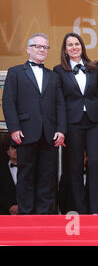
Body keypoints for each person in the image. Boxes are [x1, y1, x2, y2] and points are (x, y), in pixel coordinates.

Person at [2, 33, 66, 214]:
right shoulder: (15, 72)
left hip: (49, 133)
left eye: (45, 47)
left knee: (47, 176)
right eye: (38, 46)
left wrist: (61, 130)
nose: (42, 50)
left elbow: (60, 104)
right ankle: (26, 216)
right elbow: (8, 102)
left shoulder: (53, 76)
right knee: (26, 176)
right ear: (28, 49)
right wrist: (13, 128)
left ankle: (44, 216)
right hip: (25, 132)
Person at [53, 33, 98, 214]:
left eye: (77, 44)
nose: (74, 47)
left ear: (82, 47)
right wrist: (61, 127)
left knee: (94, 163)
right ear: (65, 49)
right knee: (75, 167)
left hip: (95, 122)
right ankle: (81, 211)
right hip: (73, 123)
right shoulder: (58, 70)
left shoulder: (94, 67)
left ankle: (95, 211)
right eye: (70, 45)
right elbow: (59, 101)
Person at [0, 144, 18, 214]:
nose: (16, 150)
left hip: (26, 211)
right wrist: (9, 206)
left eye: (18, 148)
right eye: (13, 148)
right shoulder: (1, 169)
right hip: (4, 212)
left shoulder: (29, 170)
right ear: (8, 152)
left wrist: (22, 207)